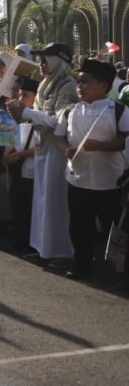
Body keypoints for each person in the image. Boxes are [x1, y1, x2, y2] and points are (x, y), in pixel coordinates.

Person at [53, 59, 129, 280]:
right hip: (78, 180)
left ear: (103, 85)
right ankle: (81, 266)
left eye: (85, 82)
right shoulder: (69, 111)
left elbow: (124, 140)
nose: (79, 86)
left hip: (108, 181)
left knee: (112, 227)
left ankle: (118, 271)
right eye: (78, 82)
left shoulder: (119, 111)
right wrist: (65, 149)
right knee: (79, 227)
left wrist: (102, 146)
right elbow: (58, 137)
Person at [9, 42, 78, 270]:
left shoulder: (67, 86)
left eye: (45, 60)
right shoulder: (45, 85)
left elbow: (60, 120)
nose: (41, 65)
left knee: (55, 202)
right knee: (42, 201)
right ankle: (43, 249)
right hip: (42, 147)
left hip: (57, 151)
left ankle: (61, 252)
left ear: (58, 61)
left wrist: (26, 112)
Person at [4, 79, 39, 256]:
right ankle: (18, 240)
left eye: (25, 95)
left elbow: (43, 146)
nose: (20, 98)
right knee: (19, 208)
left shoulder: (40, 119)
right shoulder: (18, 118)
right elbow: (11, 140)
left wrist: (20, 155)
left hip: (35, 173)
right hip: (19, 171)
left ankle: (30, 244)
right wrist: (9, 153)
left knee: (31, 210)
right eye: (19, 94)